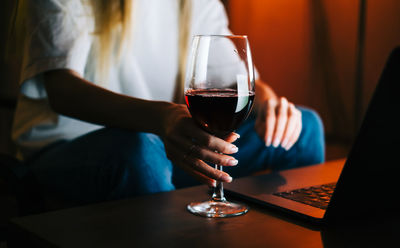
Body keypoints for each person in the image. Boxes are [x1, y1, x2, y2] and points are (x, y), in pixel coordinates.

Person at [10, 0, 324, 208]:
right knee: (140, 149)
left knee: (304, 127)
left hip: (162, 146)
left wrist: (269, 102)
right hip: (67, 151)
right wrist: (163, 116)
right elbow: (62, 90)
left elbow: (235, 79)